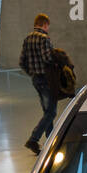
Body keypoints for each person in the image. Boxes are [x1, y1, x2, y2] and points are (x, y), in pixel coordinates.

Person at [20, 13, 58, 155]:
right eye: (48, 26)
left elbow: (21, 62)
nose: (48, 29)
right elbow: (47, 58)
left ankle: (51, 140)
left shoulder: (27, 39)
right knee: (51, 112)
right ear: (45, 24)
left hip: (36, 80)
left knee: (47, 111)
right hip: (47, 79)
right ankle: (33, 139)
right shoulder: (44, 39)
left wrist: (32, 73)